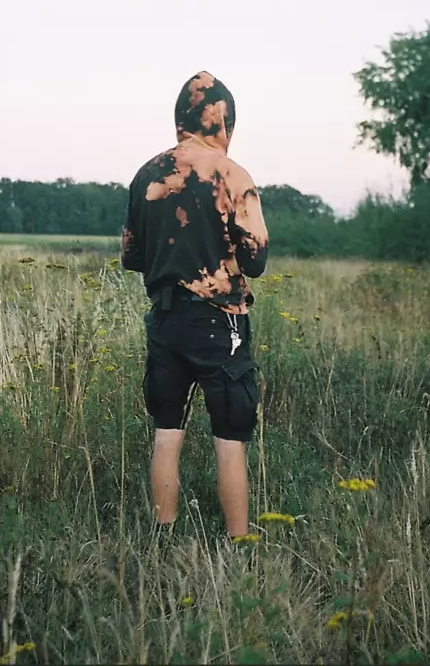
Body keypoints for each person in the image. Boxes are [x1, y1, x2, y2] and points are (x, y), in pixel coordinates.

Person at [120, 70, 269, 540]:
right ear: (225, 121)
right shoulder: (232, 175)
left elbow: (131, 256)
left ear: (180, 120)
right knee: (230, 439)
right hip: (220, 322)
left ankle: (163, 540)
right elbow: (256, 260)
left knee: (167, 432)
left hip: (164, 318)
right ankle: (239, 544)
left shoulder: (147, 174)